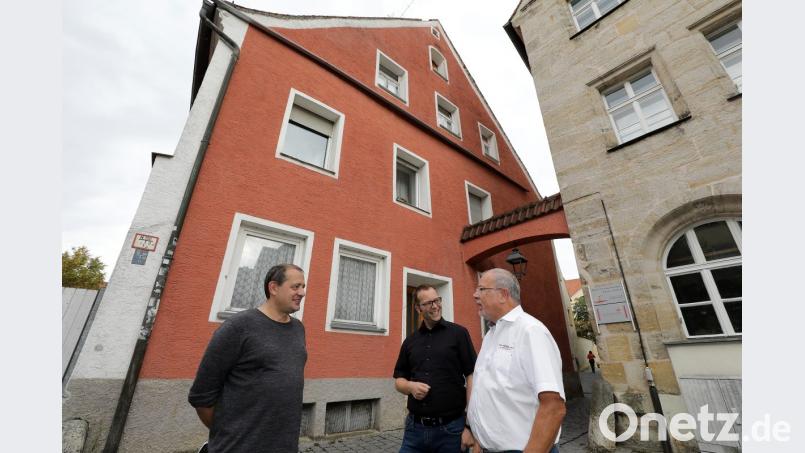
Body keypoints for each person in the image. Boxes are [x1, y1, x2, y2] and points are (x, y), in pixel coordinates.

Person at [188, 264, 308, 453]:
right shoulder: (238, 327)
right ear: (274, 288)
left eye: (303, 287)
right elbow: (202, 397)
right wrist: (229, 433)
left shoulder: (298, 329)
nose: (302, 292)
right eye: (295, 286)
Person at [465, 269, 566, 453]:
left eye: (481, 289)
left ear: (503, 294)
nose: (475, 295)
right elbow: (489, 391)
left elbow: (553, 406)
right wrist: (478, 436)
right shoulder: (491, 334)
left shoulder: (531, 331)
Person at [393, 284, 478, 453]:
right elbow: (399, 381)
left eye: (437, 300)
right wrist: (410, 387)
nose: (435, 306)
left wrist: (469, 425)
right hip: (414, 430)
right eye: (429, 303)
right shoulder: (410, 342)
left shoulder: (459, 334)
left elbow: (472, 376)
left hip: (451, 430)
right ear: (418, 308)